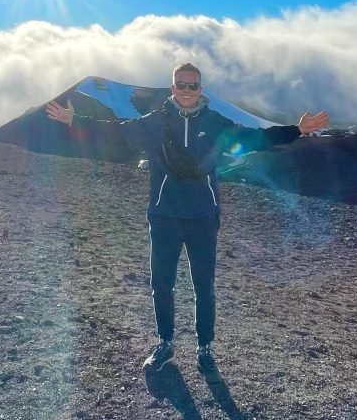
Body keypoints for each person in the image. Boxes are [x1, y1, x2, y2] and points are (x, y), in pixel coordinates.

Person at [46, 62, 329, 379]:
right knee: (161, 284)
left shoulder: (216, 123)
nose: (186, 90)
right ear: (172, 88)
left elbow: (254, 138)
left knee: (204, 286)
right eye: (181, 84)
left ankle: (205, 349)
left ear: (200, 90)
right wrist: (74, 120)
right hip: (164, 215)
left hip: (203, 217)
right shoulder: (154, 123)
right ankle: (165, 344)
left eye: (192, 85)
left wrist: (297, 130)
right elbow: (115, 132)